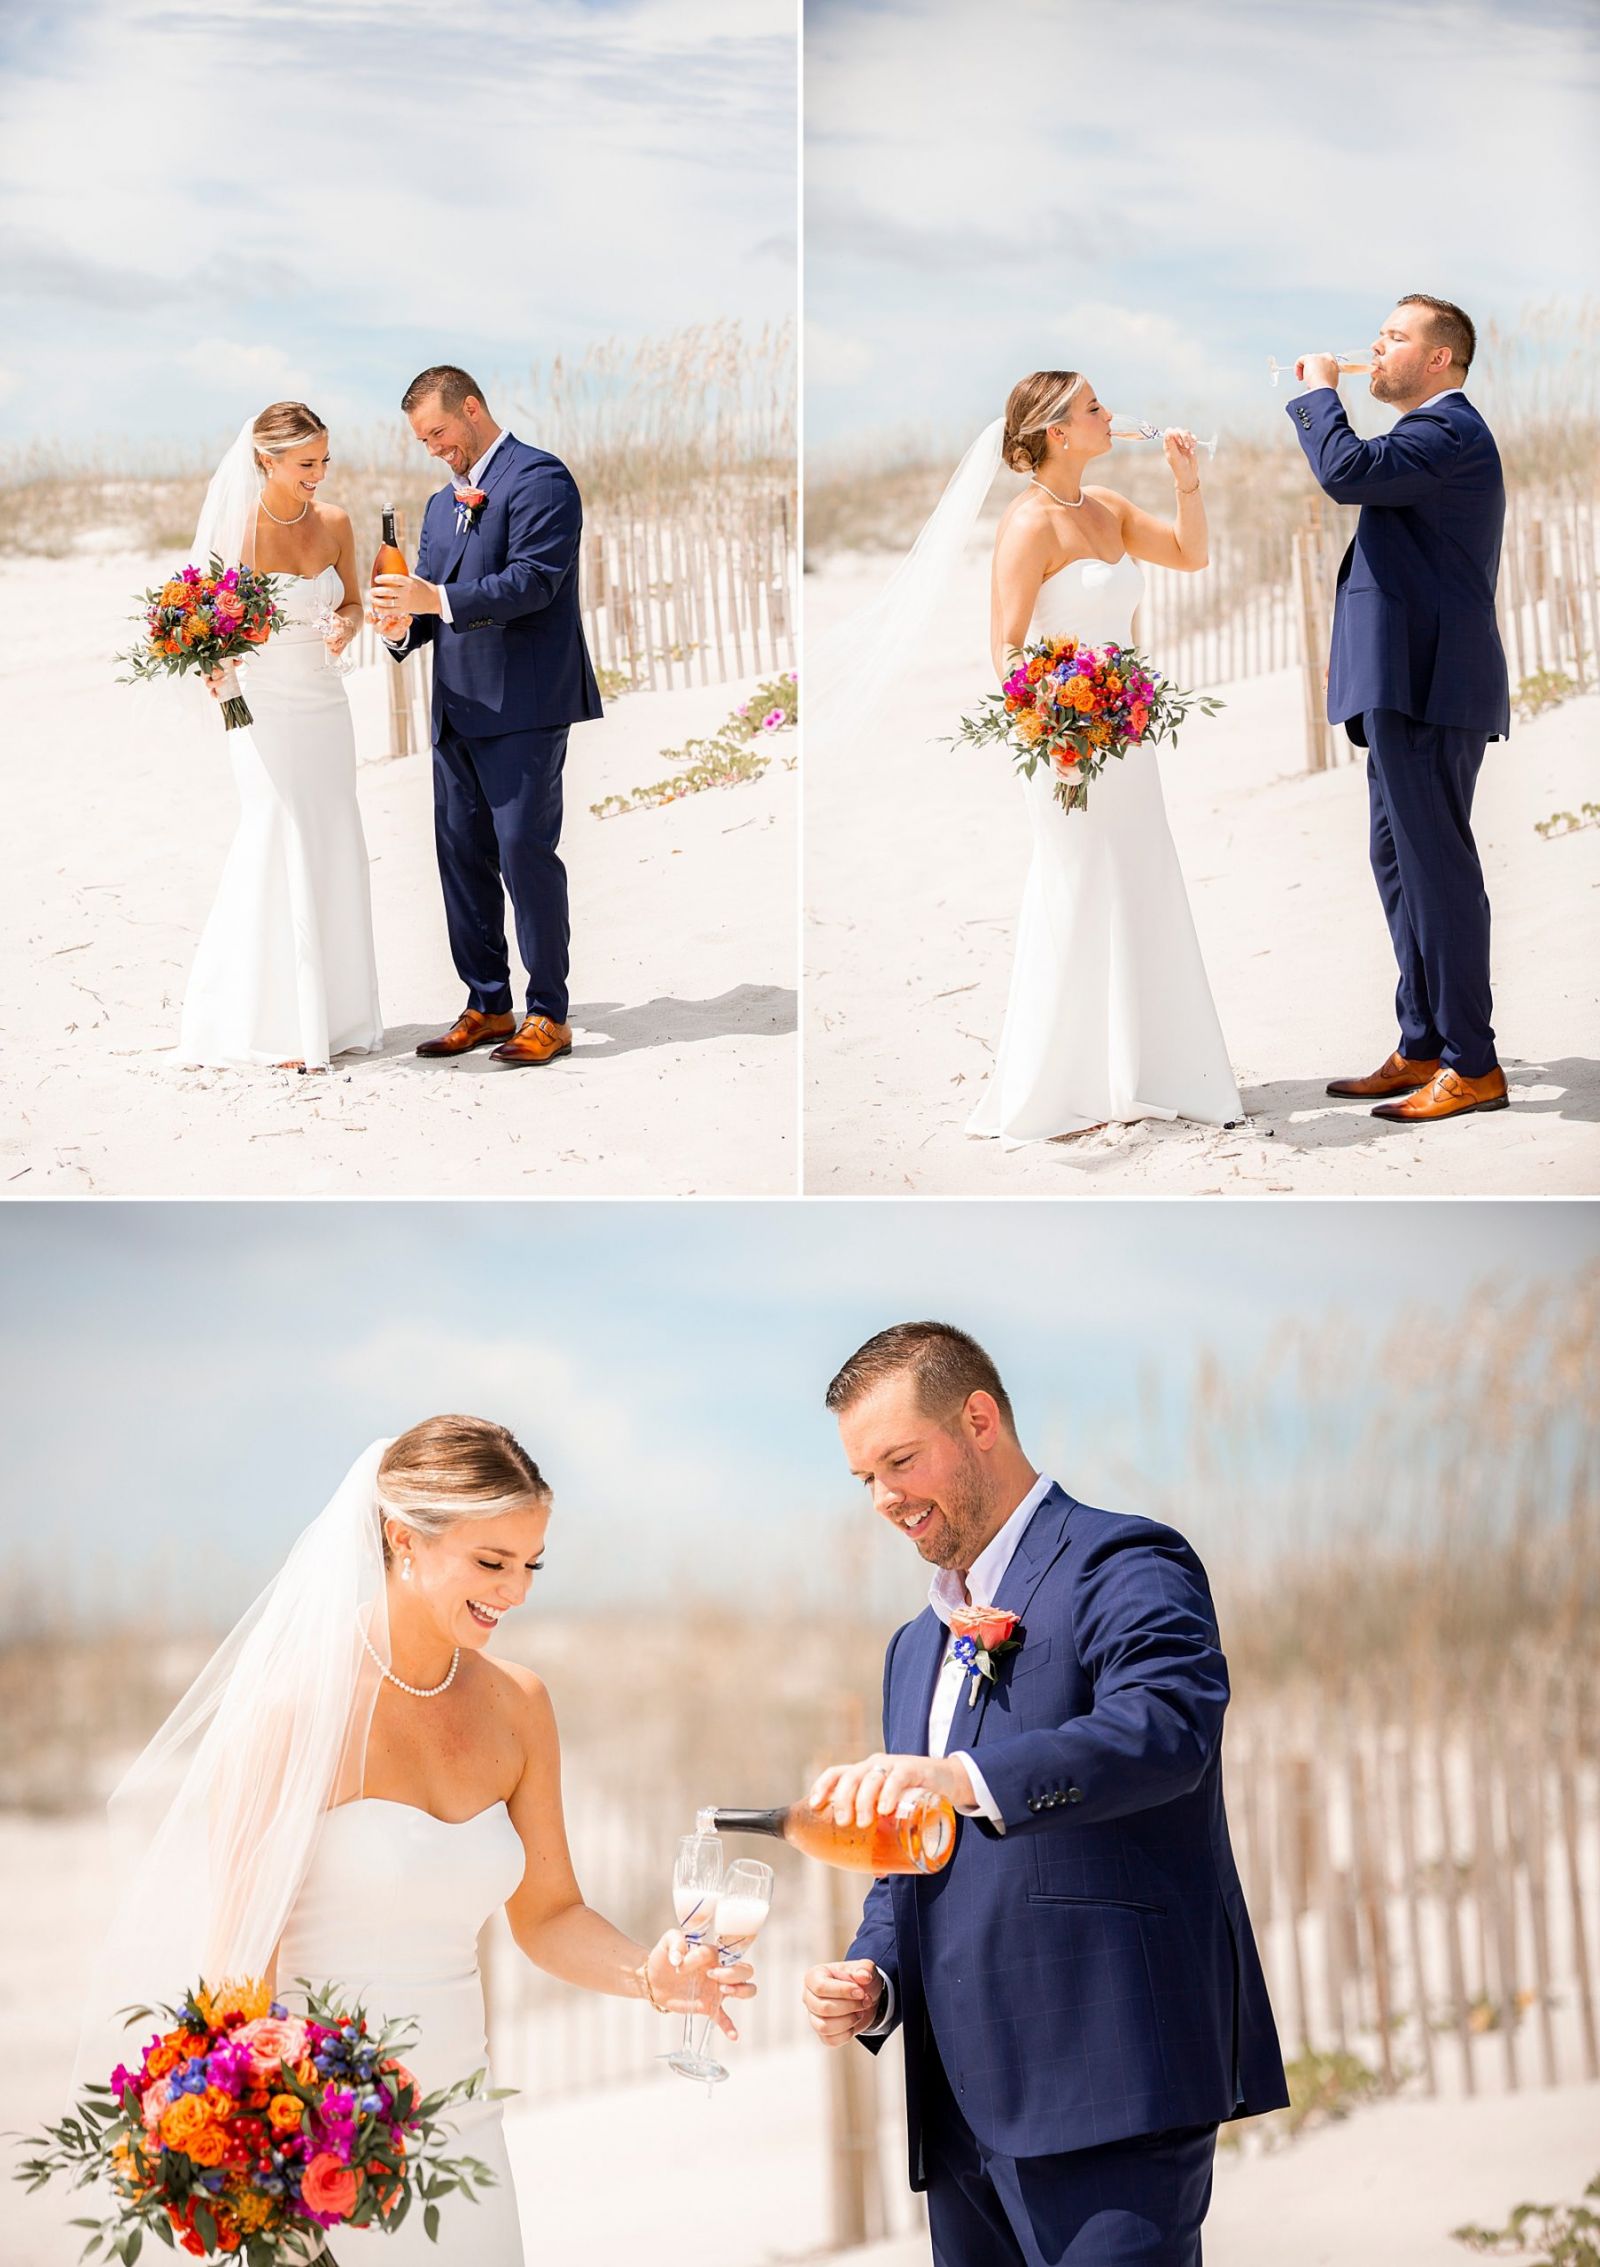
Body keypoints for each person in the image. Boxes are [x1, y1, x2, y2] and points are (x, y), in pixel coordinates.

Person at [76, 1417, 752, 2264]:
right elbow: (241, 1964)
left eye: (531, 1563)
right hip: (326, 2149)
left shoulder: (520, 1704)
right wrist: (268, 2167)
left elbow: (548, 1914)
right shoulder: (294, 1710)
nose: (516, 1590)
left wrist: (649, 1975)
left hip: (466, 2138)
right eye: (491, 1561)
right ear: (404, 1537)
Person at [803, 1322, 1286, 2267]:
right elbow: (918, 1848)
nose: (885, 1498)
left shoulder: (1126, 1561)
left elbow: (1166, 1732)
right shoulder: (914, 1646)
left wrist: (960, 1776)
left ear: (979, 1419)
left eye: (899, 1460)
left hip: (1110, 2083)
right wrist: (875, 1975)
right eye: (865, 1477)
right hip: (957, 2116)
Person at [1288, 296, 1510, 1124]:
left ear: (1441, 360)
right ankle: (1422, 1043)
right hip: (1402, 683)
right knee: (1398, 866)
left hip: (1431, 682)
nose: (1374, 346)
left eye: (1394, 337)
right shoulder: (1428, 437)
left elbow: (1346, 472)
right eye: (1377, 335)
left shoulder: (1445, 431)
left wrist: (1318, 395)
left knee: (1436, 867)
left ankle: (1474, 1064)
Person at [374, 367, 604, 1069]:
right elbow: (427, 607)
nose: (435, 449)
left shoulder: (542, 478)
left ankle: (548, 1014)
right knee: (461, 859)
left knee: (523, 855)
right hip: (458, 709)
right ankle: (487, 1001)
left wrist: (433, 598)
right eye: (423, 440)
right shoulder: (439, 505)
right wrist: (394, 626)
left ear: (472, 409)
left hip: (526, 705)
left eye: (439, 432)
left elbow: (534, 581)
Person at [178, 401, 382, 1073]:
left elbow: (351, 600)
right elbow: (204, 629)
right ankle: (274, 1021)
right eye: (305, 463)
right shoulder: (235, 530)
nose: (319, 474)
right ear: (266, 460)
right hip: (260, 705)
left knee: (329, 830)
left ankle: (337, 1016)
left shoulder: (335, 522)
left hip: (324, 700)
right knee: (274, 828)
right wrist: (224, 676)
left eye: (325, 460)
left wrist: (345, 626)